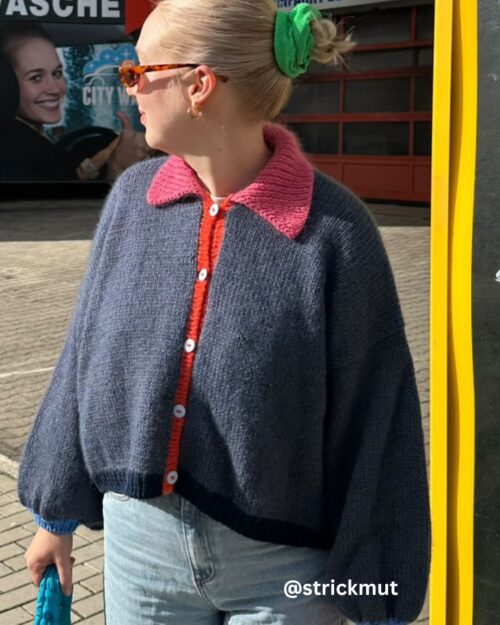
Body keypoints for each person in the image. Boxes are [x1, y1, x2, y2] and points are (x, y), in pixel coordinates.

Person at [17, 2, 431, 624]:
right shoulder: (133, 202)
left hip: (287, 571)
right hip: (139, 550)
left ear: (199, 85)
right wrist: (55, 517)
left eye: (137, 72)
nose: (129, 88)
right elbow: (82, 356)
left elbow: (378, 415)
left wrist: (376, 589)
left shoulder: (335, 233)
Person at [0, 22, 150, 182]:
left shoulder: (30, 142)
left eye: (57, 73)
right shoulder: (15, 151)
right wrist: (117, 167)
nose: (55, 89)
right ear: (6, 82)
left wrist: (103, 156)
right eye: (36, 77)